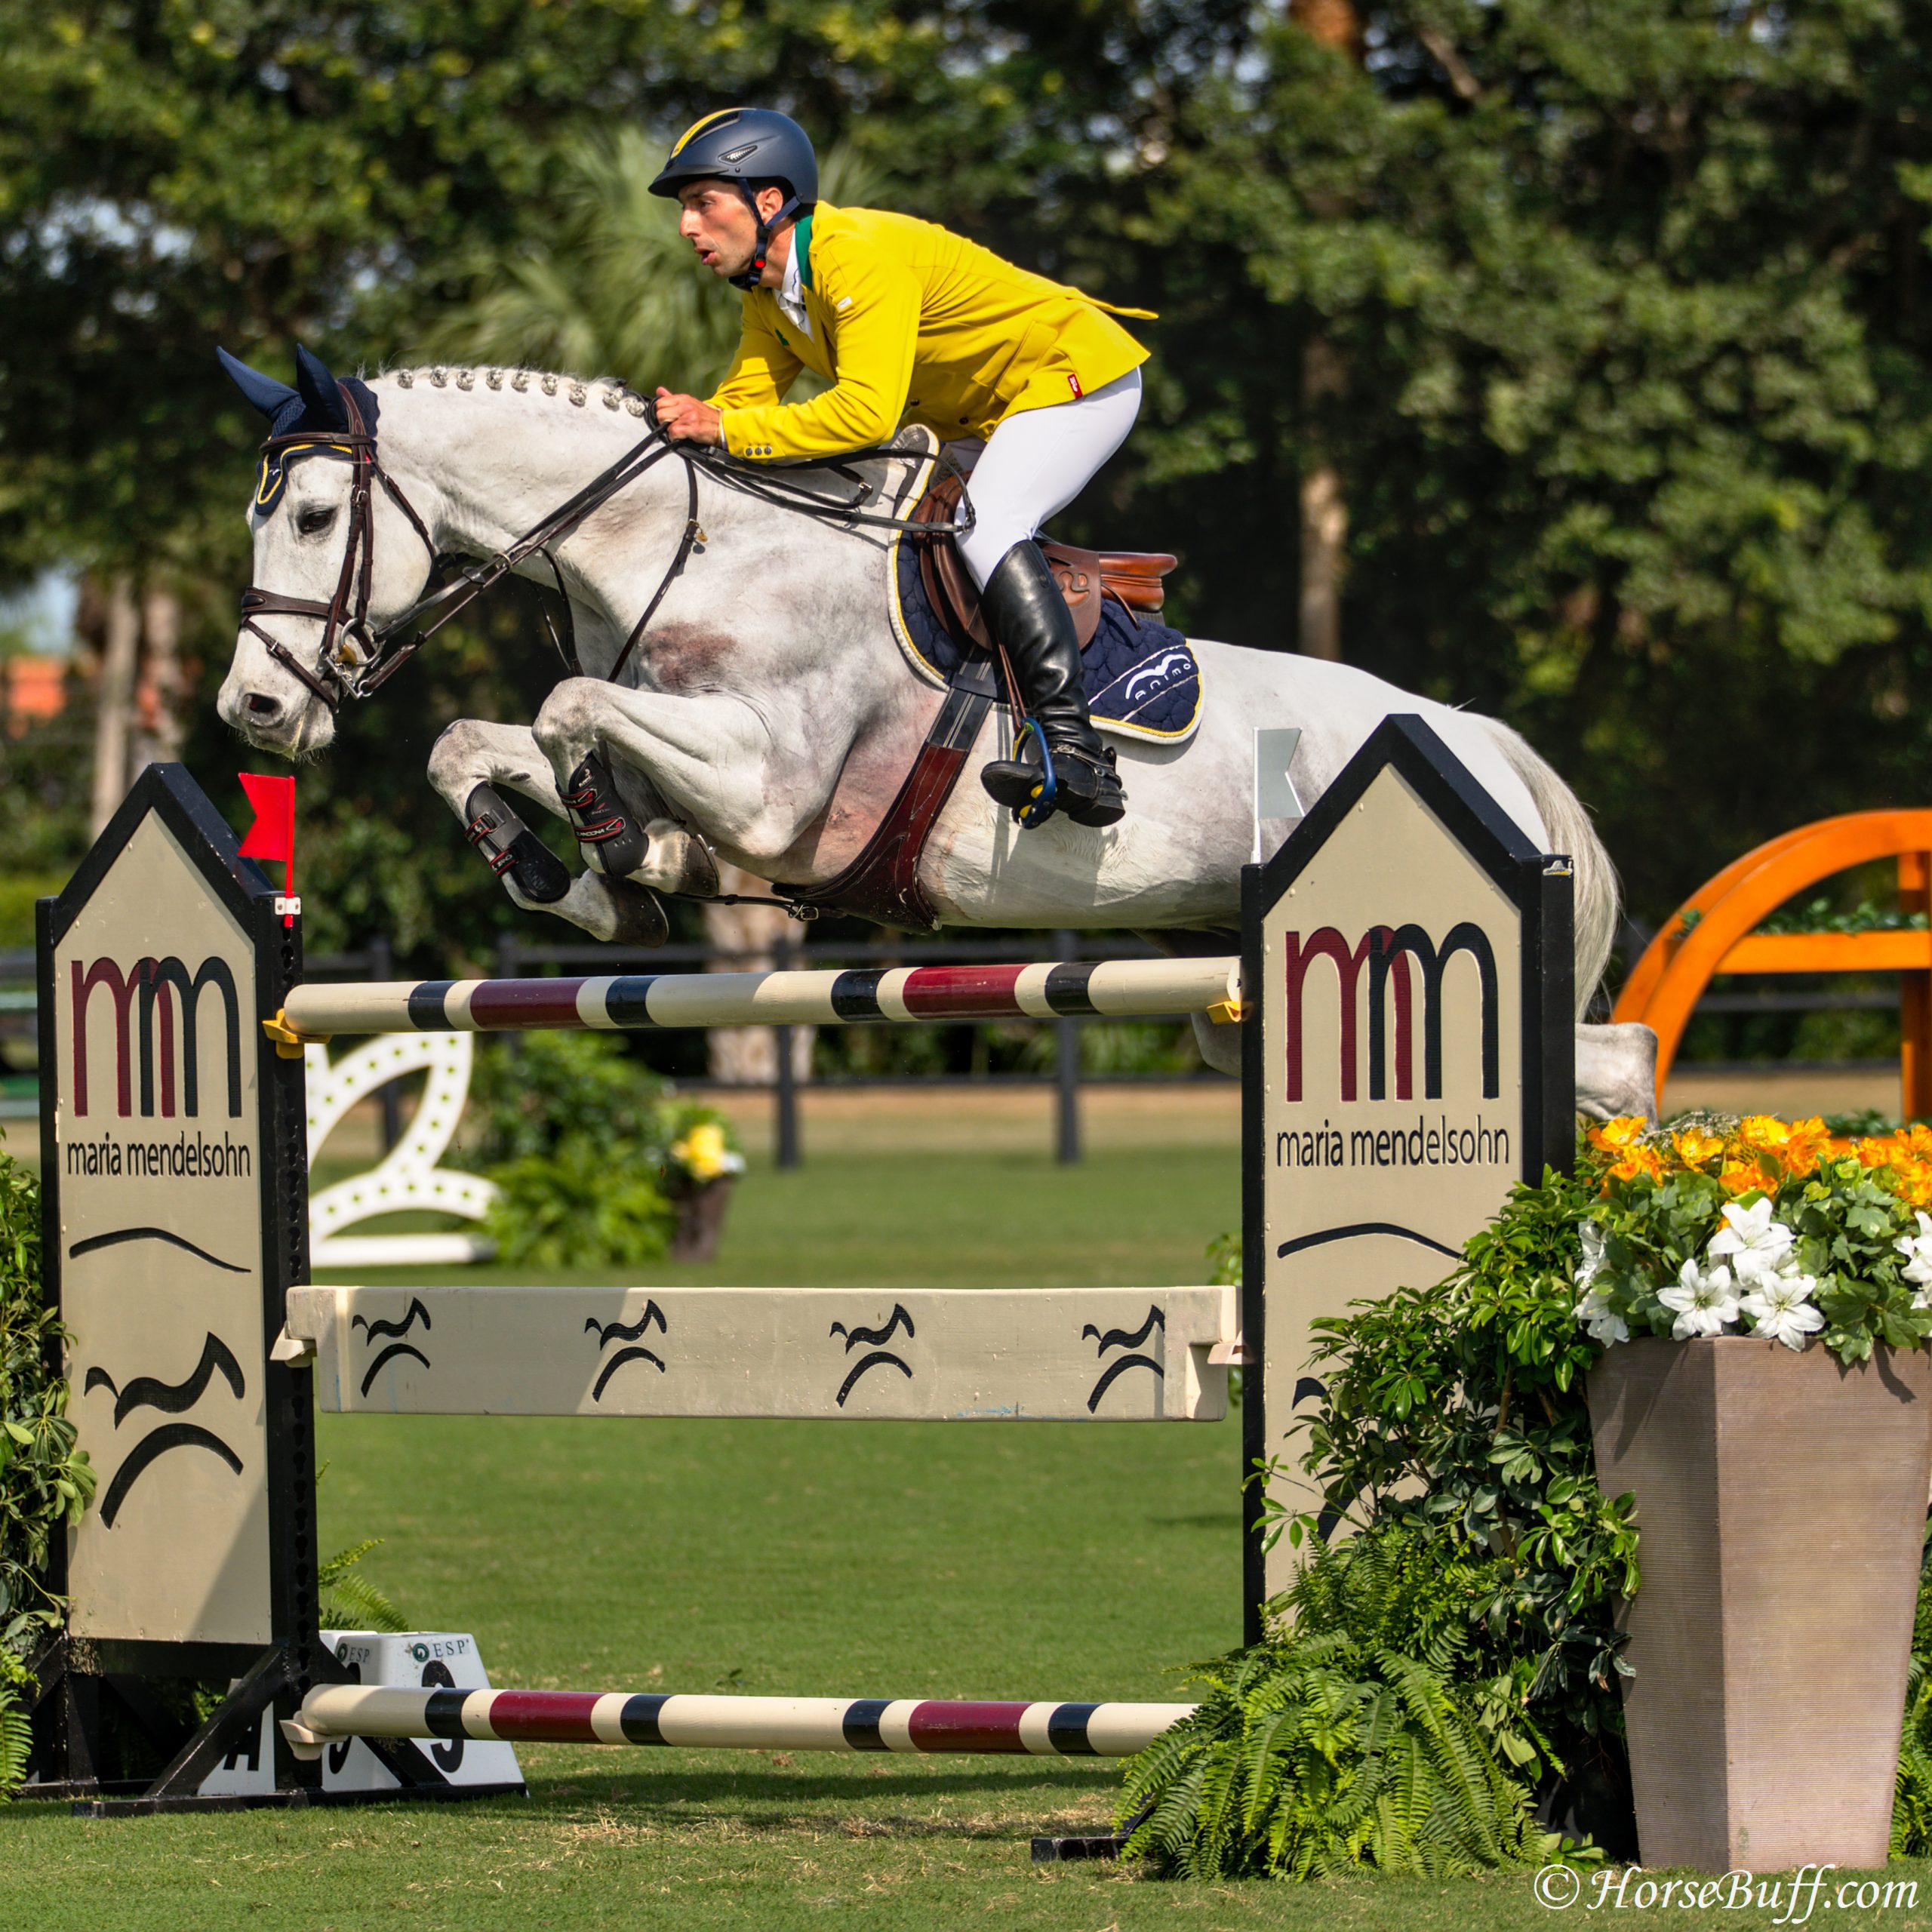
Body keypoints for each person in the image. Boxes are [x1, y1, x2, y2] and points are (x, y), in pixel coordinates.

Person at [649, 107, 1152, 829]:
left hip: (1073, 381)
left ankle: (1072, 746)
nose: (686, 228)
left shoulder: (853, 256)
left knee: (987, 525)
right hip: (983, 417)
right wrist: (679, 430)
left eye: (702, 203)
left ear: (767, 201)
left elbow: (863, 416)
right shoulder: (768, 296)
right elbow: (742, 410)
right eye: (684, 209)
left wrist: (724, 427)